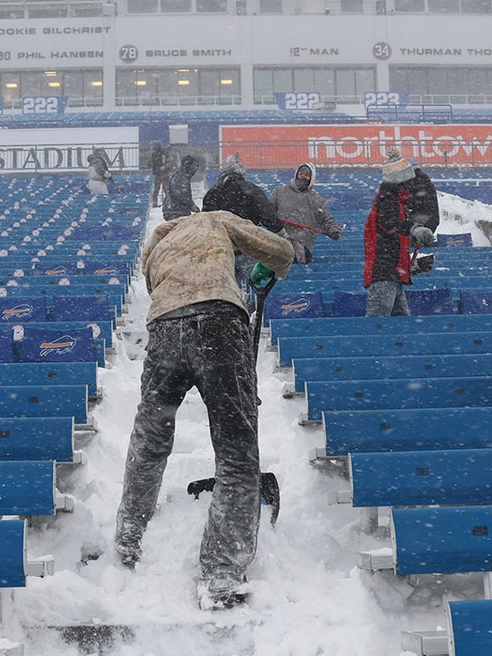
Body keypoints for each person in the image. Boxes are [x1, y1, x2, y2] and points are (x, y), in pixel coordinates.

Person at [114, 208, 294, 610]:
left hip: (164, 330)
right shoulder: (215, 219)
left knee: (150, 437)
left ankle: (128, 538)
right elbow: (280, 250)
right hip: (219, 323)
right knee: (236, 452)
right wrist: (270, 269)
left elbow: (160, 287)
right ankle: (221, 574)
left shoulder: (155, 244)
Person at [202, 155, 290, 304]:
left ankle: (232, 312)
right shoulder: (251, 190)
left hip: (222, 249)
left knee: (227, 290)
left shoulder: (213, 193)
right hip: (248, 246)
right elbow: (268, 216)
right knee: (258, 284)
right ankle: (259, 311)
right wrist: (283, 237)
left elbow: (204, 223)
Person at [364, 147, 438, 317]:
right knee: (378, 323)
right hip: (383, 275)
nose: (412, 185)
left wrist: (414, 266)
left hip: (392, 275)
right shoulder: (387, 199)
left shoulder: (395, 200)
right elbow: (389, 224)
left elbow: (394, 244)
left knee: (401, 323)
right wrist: (414, 229)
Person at [269, 162, 342, 264]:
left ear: (311, 178)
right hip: (279, 240)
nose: (303, 177)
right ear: (296, 174)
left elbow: (326, 219)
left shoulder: (317, 200)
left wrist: (334, 230)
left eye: (307, 175)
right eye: (301, 174)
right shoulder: (279, 192)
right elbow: (268, 212)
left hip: (302, 245)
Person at [162, 154, 201, 221]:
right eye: (195, 167)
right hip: (176, 212)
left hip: (175, 211)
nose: (195, 170)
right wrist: (191, 205)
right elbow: (181, 195)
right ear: (188, 166)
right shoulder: (181, 178)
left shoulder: (181, 176)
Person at [148, 140, 169, 208]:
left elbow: (170, 162)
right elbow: (150, 164)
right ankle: (155, 203)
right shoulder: (154, 154)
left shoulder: (165, 153)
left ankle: (167, 202)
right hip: (157, 174)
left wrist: (165, 166)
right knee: (156, 190)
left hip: (164, 173)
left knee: (166, 189)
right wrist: (149, 163)